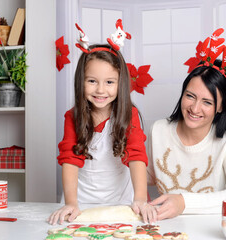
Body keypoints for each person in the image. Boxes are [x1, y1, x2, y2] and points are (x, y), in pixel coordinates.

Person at [147, 29, 226, 221]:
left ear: (220, 107)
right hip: (165, 229)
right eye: (190, 96)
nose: (195, 108)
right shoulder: (159, 130)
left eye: (207, 102)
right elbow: (145, 175)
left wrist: (183, 202)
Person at [48, 43, 156, 225]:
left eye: (109, 82)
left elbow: (136, 156)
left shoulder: (130, 115)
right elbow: (70, 160)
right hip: (81, 203)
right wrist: (71, 203)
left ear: (120, 83)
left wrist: (140, 199)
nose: (100, 90)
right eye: (92, 81)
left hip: (122, 202)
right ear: (80, 81)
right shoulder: (72, 117)